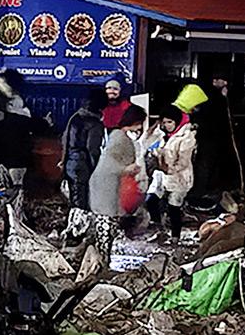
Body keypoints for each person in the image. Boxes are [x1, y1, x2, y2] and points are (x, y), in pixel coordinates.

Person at [0, 75, 50, 187]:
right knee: (11, 191)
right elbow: (27, 123)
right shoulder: (8, 112)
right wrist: (44, 124)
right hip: (10, 160)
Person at [89, 105, 148, 256]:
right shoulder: (119, 137)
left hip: (110, 186)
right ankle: (101, 259)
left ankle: (103, 257)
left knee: (108, 224)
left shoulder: (119, 136)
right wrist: (125, 169)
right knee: (105, 224)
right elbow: (110, 161)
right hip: (106, 187)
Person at [143, 104, 198, 239]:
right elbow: (145, 142)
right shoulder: (161, 135)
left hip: (180, 178)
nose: (167, 125)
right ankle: (159, 229)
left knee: (174, 208)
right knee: (150, 201)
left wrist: (168, 168)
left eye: (170, 122)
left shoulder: (187, 137)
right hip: (161, 176)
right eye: (164, 122)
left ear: (176, 121)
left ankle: (175, 237)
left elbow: (183, 161)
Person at [191, 72, 241, 199]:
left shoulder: (214, 96)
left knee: (210, 163)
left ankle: (208, 188)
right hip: (210, 135)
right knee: (206, 163)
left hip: (213, 136)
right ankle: (202, 190)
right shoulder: (213, 96)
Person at [62, 88, 109, 210]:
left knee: (74, 198)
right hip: (83, 164)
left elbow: (64, 139)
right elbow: (93, 149)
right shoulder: (95, 124)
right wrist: (97, 169)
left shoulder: (75, 117)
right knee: (82, 202)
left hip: (70, 162)